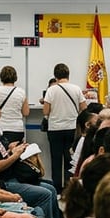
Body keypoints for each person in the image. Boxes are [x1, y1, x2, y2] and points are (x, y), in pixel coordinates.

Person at [42, 63, 85, 192]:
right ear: (68, 75)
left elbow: (46, 110)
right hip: (72, 128)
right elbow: (84, 108)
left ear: (55, 76)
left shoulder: (51, 90)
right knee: (70, 160)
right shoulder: (76, 89)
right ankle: (68, 188)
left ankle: (56, 189)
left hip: (55, 129)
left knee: (56, 160)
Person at [0, 66, 28, 146]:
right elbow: (26, 112)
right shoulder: (21, 92)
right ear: (15, 77)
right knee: (17, 154)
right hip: (17, 129)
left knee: (2, 155)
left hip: (0, 128)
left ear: (1, 77)